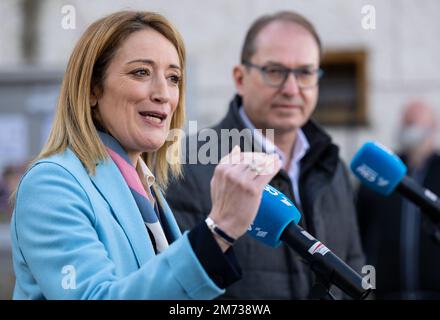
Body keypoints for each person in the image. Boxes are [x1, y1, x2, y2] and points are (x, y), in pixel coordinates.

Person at [10, 11, 281, 300]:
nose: (164, 93)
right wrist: (218, 230)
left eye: (174, 78)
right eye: (141, 72)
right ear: (92, 89)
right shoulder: (51, 184)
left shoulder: (147, 187)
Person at [166, 11, 365, 299]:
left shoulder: (334, 169)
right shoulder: (189, 163)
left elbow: (354, 265)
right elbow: (179, 290)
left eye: (305, 73)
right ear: (240, 78)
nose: (291, 89)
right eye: (275, 71)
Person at [356, 100, 440, 299]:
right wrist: (368, 290)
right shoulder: (379, 173)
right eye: (407, 123)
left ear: (433, 127)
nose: (411, 130)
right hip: (388, 294)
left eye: (416, 124)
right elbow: (361, 236)